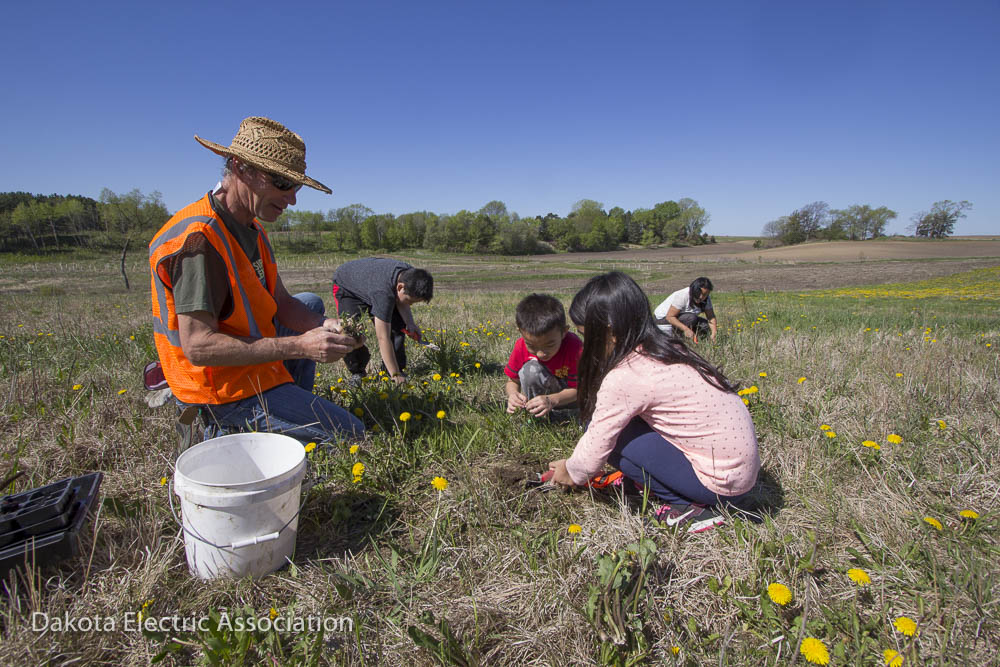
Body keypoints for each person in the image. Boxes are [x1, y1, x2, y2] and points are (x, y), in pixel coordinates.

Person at [149, 116, 364, 444]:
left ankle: (283, 402)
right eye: (281, 182)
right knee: (352, 435)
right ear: (239, 168)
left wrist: (327, 325)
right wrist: (300, 346)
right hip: (220, 389)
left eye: (296, 187)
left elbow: (282, 303)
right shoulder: (199, 241)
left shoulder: (252, 228)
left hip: (251, 366)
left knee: (310, 305)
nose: (291, 198)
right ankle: (223, 428)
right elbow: (199, 346)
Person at [548, 272, 759, 532]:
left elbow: (598, 442)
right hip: (741, 476)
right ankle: (668, 485)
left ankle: (689, 508)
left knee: (605, 430)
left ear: (610, 332)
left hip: (719, 488)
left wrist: (570, 471)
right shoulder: (668, 349)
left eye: (584, 335)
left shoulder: (626, 375)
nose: (583, 344)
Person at [331, 258, 433, 385]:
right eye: (410, 301)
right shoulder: (383, 294)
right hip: (347, 286)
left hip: (372, 282)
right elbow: (382, 337)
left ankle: (391, 371)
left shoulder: (410, 275)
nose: (410, 305)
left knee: (397, 328)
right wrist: (396, 375)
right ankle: (358, 372)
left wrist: (410, 323)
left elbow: (402, 300)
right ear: (400, 287)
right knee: (350, 332)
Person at [505, 294, 583, 418]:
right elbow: (512, 381)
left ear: (564, 332)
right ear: (520, 332)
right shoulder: (520, 346)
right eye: (532, 346)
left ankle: (568, 415)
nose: (541, 353)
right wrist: (513, 394)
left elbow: (581, 389)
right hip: (545, 401)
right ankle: (538, 414)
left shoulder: (575, 348)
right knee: (530, 370)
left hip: (573, 399)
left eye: (550, 345)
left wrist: (553, 399)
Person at [654, 277, 717, 341]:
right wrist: (686, 330)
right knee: (691, 318)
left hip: (682, 318)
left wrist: (714, 333)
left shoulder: (706, 299)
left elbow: (711, 317)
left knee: (705, 325)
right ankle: (678, 339)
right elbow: (670, 317)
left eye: (705, 294)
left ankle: (697, 340)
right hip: (662, 321)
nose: (701, 297)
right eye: (699, 293)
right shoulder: (683, 295)